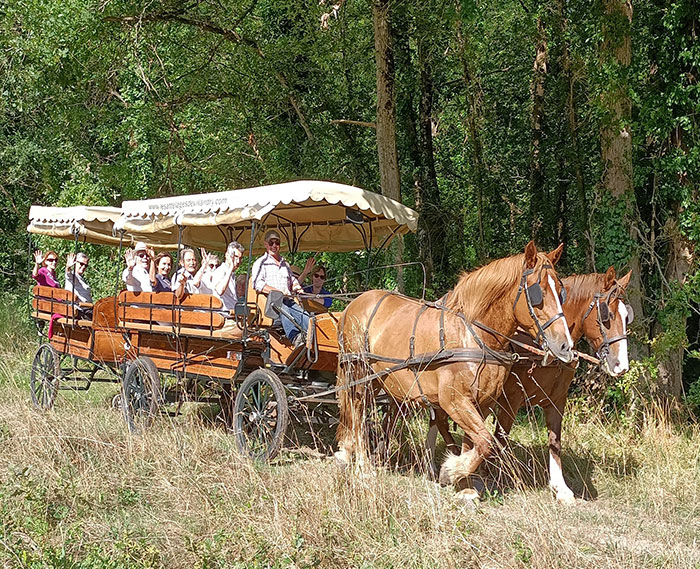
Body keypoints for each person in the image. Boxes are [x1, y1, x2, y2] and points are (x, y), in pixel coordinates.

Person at [251, 229, 309, 346]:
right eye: (271, 243)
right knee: (283, 309)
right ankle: (294, 337)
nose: (274, 246)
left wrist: (296, 285)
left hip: (287, 299)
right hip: (271, 301)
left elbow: (291, 279)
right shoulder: (260, 263)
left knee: (302, 313)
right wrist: (277, 291)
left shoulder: (285, 264)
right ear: (265, 244)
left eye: (276, 243)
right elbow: (257, 283)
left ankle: (312, 333)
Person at [212, 241, 244, 315]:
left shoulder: (232, 274)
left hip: (233, 316)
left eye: (240, 258)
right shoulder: (220, 271)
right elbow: (220, 290)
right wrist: (230, 268)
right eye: (235, 257)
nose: (238, 261)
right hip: (223, 318)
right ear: (227, 255)